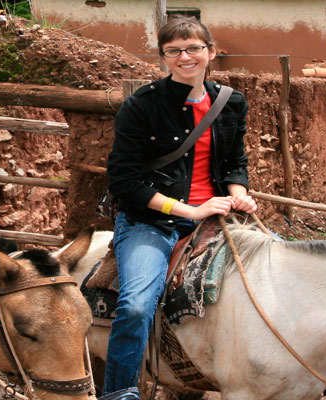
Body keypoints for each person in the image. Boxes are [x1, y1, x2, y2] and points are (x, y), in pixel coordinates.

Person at [102, 16, 256, 400]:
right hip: (150, 221)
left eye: (193, 48)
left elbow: (235, 161)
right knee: (137, 306)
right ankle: (119, 392)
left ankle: (320, 371)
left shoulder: (231, 102)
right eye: (174, 51)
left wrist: (239, 193)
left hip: (217, 218)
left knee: (287, 272)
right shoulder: (141, 106)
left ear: (211, 53)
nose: (185, 57)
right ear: (164, 58)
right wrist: (190, 211)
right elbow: (124, 182)